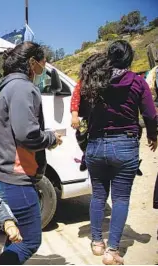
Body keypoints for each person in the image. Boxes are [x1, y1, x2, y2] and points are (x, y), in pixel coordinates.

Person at [0, 42, 63, 265]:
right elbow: (27, 134)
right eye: (43, 63)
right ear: (32, 63)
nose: (44, 69)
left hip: (4, 173)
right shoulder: (23, 87)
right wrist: (51, 138)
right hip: (16, 177)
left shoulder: (7, 87)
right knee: (29, 240)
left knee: (17, 237)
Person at [80, 40, 157, 265]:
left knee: (98, 196)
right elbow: (151, 115)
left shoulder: (95, 80)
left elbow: (83, 112)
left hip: (95, 145)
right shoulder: (137, 82)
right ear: (129, 58)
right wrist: (153, 135)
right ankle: (112, 250)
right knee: (121, 198)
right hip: (125, 145)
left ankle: (96, 242)